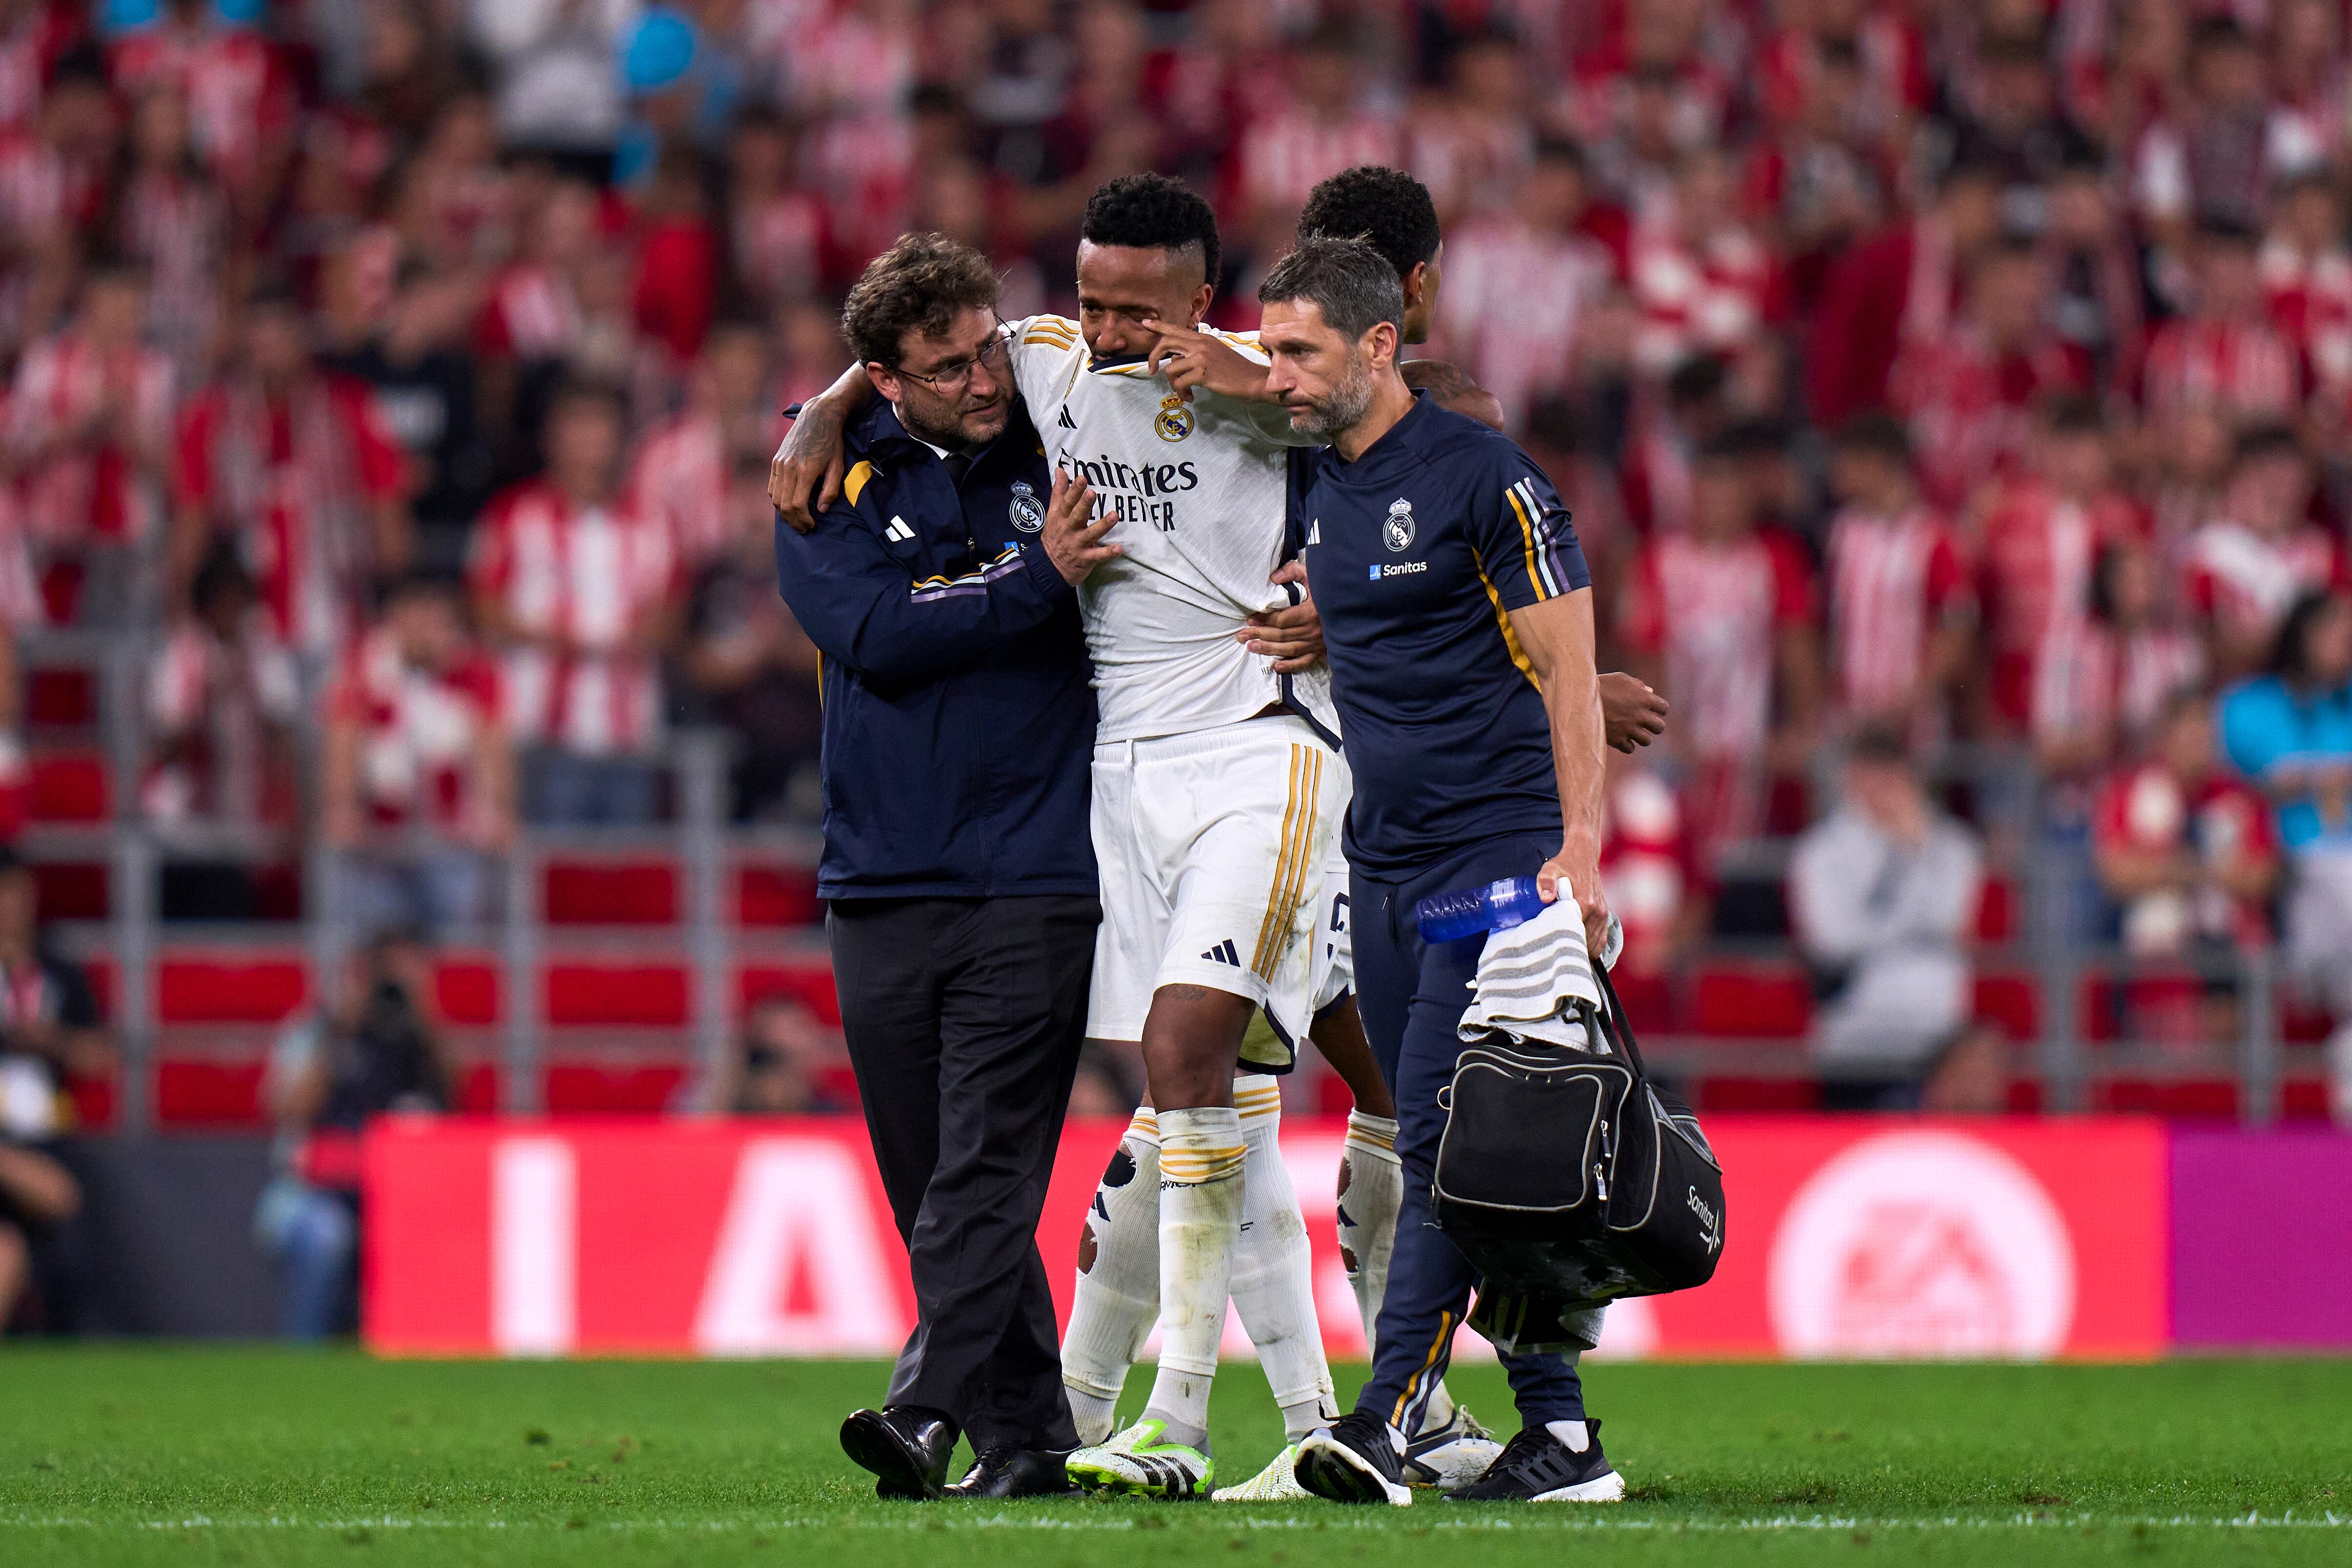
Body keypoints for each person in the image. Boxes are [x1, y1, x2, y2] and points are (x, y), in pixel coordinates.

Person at [1260, 236, 1622, 1506]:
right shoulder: (1320, 474)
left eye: (1300, 349)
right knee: (1484, 1158)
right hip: (1385, 860)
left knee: (1440, 1136)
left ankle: (1376, 1421)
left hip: (1496, 855)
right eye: (1271, 349)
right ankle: (1563, 1437)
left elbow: (1572, 672)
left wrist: (1578, 850)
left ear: (1376, 346)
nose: (1279, 373)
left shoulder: (1486, 478)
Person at [772, 233, 1101, 1502]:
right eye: (946, 365)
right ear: (888, 379)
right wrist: (1033, 581)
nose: (984, 380)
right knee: (937, 1187)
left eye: (986, 348)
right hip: (881, 874)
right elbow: (870, 635)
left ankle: (922, 1410)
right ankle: (1032, 1441)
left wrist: (967, 592)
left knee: (984, 1167)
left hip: (1036, 867)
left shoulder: (1059, 437)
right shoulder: (831, 474)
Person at [254, 929, 455, 1339]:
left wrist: (425, 1016)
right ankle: (306, 1362)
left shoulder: (416, 1039)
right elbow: (285, 1110)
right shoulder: (317, 1031)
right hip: (312, 1192)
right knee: (327, 1235)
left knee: (445, 1238)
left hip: (397, 1196)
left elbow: (456, 1094)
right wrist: (339, 1034)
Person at [1788, 725, 1985, 1110]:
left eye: (1889, 772)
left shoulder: (1953, 847)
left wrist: (1915, 850)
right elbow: (1832, 939)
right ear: (1849, 777)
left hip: (1936, 1035)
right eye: (1868, 773)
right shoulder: (1819, 853)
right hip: (1855, 1035)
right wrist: (1893, 866)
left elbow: (1951, 921)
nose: (1879, 786)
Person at [320, 573, 515, 945]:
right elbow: (343, 742)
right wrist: (341, 805)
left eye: (440, 621)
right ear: (395, 619)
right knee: (366, 946)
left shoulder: (477, 673)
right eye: (420, 619)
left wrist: (498, 807)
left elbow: (494, 748)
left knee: (454, 949)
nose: (430, 631)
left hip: (450, 842)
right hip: (377, 843)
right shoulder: (359, 670)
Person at [2217, 590, 2352, 1123]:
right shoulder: (2247, 705)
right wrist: (2308, 782)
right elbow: (2228, 787)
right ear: (2302, 633)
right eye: (2336, 630)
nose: (2347, 642)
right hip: (2282, 869)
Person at [0, 847, 107, 1333]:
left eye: (17, 891)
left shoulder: (59, 971)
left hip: (45, 1135)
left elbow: (101, 1055)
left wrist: (52, 1041)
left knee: (30, 1235)